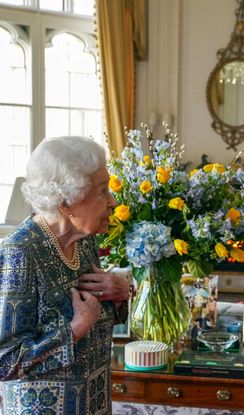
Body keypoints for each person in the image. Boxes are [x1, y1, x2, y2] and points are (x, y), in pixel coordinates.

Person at [0, 136, 130, 414]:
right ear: (67, 203)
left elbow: (99, 316)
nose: (112, 201)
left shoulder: (84, 240)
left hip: (94, 404)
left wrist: (119, 296)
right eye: (103, 191)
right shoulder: (20, 254)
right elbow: (5, 360)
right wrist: (74, 329)